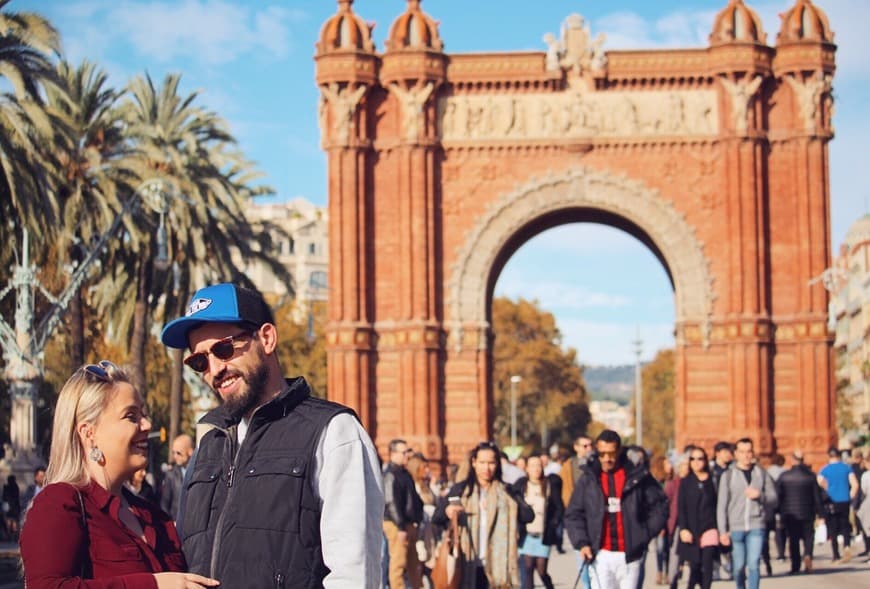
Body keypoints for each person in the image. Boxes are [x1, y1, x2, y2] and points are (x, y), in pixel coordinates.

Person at [161, 282, 384, 587]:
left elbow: (354, 575)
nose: (214, 370)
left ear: (266, 338)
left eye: (223, 349)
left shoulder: (333, 432)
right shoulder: (209, 443)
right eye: (199, 361)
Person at [19, 360, 218, 588]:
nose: (146, 425)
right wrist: (153, 585)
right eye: (131, 416)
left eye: (143, 414)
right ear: (88, 433)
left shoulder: (156, 518)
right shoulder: (59, 503)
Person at [564, 429, 668, 589]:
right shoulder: (588, 479)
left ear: (619, 451)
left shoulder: (637, 475)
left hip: (630, 554)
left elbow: (660, 506)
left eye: (611, 454)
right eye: (602, 453)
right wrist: (582, 542)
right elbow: (574, 514)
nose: (607, 459)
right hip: (600, 554)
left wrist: (644, 534)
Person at [432, 440, 534, 587]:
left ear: (497, 464)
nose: (487, 468)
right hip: (468, 562)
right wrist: (448, 512)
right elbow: (437, 517)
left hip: (498, 566)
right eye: (482, 462)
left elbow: (528, 516)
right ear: (474, 462)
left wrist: (510, 502)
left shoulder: (507, 492)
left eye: (491, 463)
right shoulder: (462, 491)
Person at [716, 438, 777, 589]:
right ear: (736, 453)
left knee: (754, 564)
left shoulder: (761, 473)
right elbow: (722, 505)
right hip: (736, 527)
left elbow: (774, 498)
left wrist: (759, 496)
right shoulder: (728, 475)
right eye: (742, 452)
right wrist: (722, 531)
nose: (746, 455)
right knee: (738, 567)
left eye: (749, 451)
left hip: (756, 525)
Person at [512, 455, 563, 589]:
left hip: (543, 535)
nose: (536, 469)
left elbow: (559, 507)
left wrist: (554, 523)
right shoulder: (521, 486)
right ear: (527, 468)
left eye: (539, 465)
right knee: (527, 568)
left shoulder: (549, 485)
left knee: (541, 570)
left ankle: (549, 586)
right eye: (533, 465)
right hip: (526, 535)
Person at [383, 438, 424, 589]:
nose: (408, 455)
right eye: (404, 452)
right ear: (393, 453)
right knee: (398, 564)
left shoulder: (405, 474)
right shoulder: (390, 475)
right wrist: (400, 527)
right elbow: (391, 502)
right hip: (396, 525)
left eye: (408, 451)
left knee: (414, 565)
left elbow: (413, 499)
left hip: (408, 524)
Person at [676, 446, 718, 589]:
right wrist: (683, 529)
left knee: (707, 564)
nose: (696, 462)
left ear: (705, 460)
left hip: (710, 528)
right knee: (695, 566)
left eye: (700, 458)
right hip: (691, 529)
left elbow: (719, 504)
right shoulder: (686, 482)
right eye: (693, 459)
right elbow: (681, 508)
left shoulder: (713, 481)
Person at [775, 450, 821, 574]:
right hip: (807, 512)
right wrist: (820, 513)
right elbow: (817, 496)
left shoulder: (784, 476)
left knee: (793, 540)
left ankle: (795, 565)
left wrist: (778, 511)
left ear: (792, 459)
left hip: (790, 514)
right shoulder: (810, 476)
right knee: (808, 537)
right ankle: (807, 555)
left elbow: (778, 496)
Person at [817, 446, 859, 564]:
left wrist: (828, 490)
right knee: (845, 525)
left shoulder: (825, 469)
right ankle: (846, 546)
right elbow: (855, 484)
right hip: (844, 500)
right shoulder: (847, 468)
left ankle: (835, 554)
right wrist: (850, 496)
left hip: (831, 501)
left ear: (829, 456)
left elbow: (820, 482)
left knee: (833, 528)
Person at [650, 455, 674, 586]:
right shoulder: (656, 484)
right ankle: (660, 571)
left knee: (668, 548)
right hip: (659, 522)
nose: (670, 466)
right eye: (667, 464)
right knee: (660, 548)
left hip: (671, 520)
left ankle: (668, 572)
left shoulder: (673, 481)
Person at [160, 434, 194, 520]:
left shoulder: (199, 473)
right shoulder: (170, 475)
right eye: (173, 452)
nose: (175, 456)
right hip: (175, 526)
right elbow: (164, 504)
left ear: (190, 452)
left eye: (178, 453)